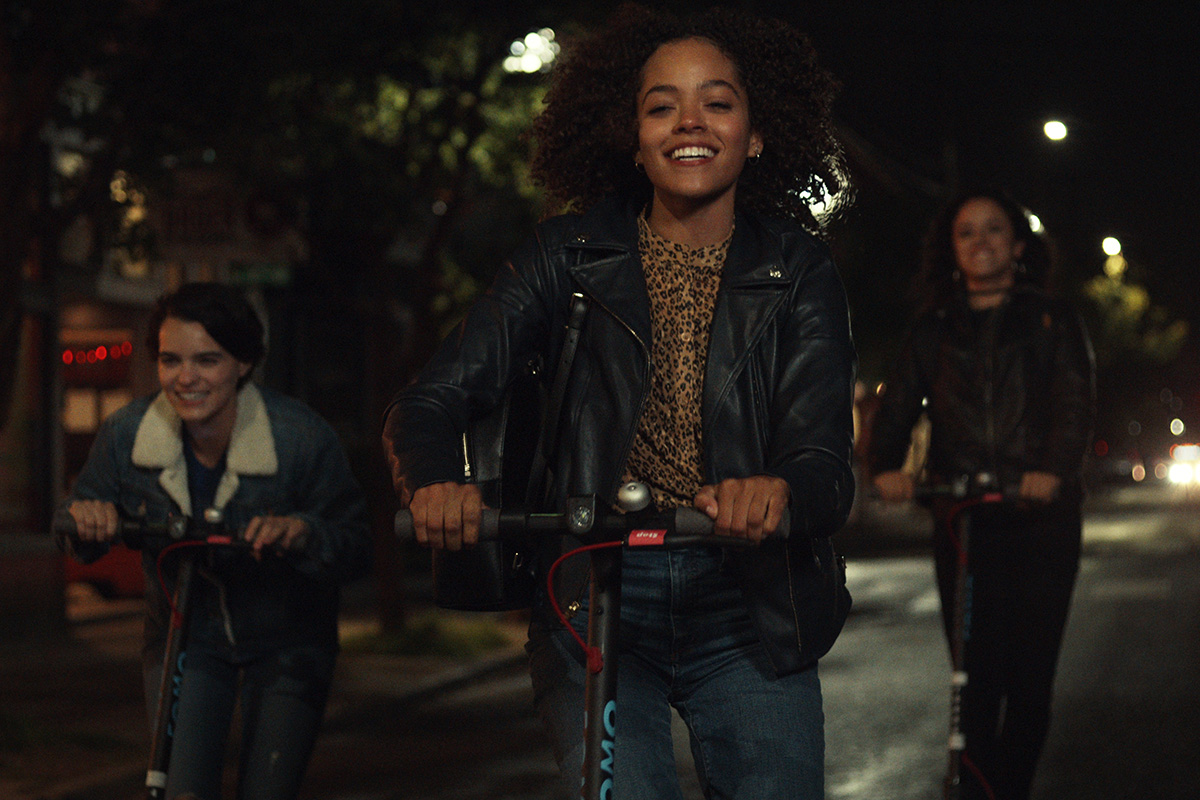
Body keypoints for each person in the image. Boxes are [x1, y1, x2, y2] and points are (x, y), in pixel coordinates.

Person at [383, 5, 856, 798]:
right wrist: (434, 483)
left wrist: (777, 490)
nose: (689, 122)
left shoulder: (800, 269)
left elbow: (824, 461)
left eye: (717, 102)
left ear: (757, 134)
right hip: (594, 592)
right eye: (662, 106)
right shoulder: (560, 257)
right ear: (633, 138)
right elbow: (429, 403)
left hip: (748, 605)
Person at [60, 282, 372, 800]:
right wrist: (86, 519)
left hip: (289, 641)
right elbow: (72, 525)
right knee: (181, 789)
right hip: (186, 637)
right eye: (170, 360)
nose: (186, 378)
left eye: (207, 360)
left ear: (243, 362)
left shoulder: (299, 437)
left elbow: (356, 542)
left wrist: (303, 533)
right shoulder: (128, 434)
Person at [867, 189, 1095, 800]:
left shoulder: (1053, 320)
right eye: (966, 232)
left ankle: (1008, 790)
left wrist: (1050, 471)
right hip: (963, 521)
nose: (980, 242)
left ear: (1018, 245)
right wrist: (885, 467)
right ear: (951, 249)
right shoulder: (933, 329)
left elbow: (1073, 405)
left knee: (1029, 683)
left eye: (994, 229)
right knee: (973, 678)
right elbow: (896, 408)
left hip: (1040, 521)